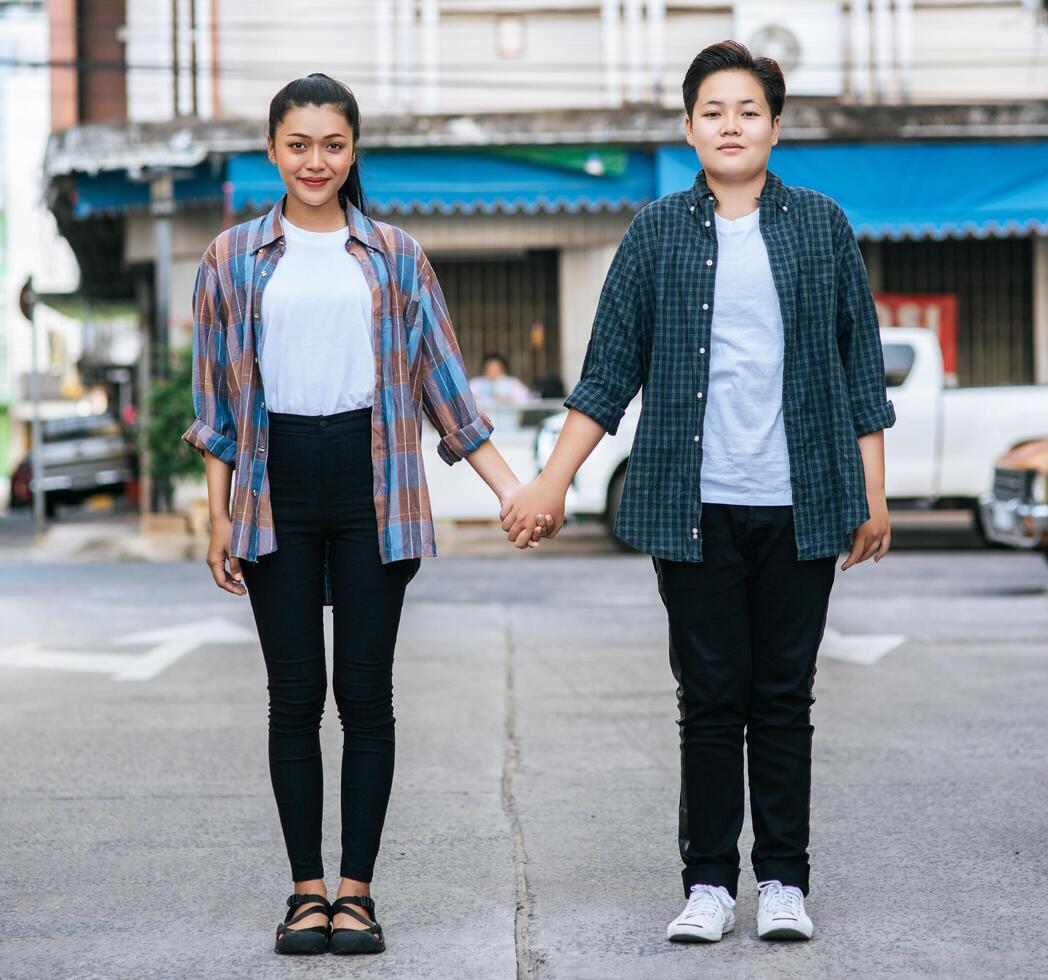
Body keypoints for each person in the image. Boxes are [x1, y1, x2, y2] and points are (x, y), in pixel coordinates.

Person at [502, 40, 895, 944]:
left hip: (801, 500)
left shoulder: (823, 227)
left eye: (748, 111)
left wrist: (874, 494)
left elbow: (859, 367)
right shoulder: (655, 234)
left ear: (775, 126)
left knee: (784, 696)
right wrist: (551, 483)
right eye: (713, 111)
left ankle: (785, 881)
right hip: (695, 502)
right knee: (710, 696)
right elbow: (608, 374)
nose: (731, 125)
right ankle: (711, 883)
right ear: (688, 129)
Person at [181, 73, 541, 957]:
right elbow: (219, 409)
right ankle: (306, 890)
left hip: (374, 486)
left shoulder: (394, 256)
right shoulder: (229, 259)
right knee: (293, 697)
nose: (316, 160)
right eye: (298, 144)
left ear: (354, 151)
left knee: (367, 698)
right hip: (275, 492)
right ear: (273, 150)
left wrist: (512, 488)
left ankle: (358, 892)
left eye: (332, 145)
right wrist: (219, 515)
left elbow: (444, 388)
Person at [469, 352, 533, 407]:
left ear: (503, 368)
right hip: (483, 420)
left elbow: (525, 399)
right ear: (484, 369)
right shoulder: (476, 383)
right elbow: (467, 401)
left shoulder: (513, 383)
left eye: (496, 367)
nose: (493, 371)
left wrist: (506, 399)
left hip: (508, 420)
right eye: (490, 368)